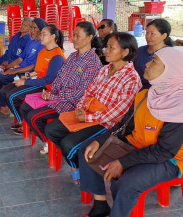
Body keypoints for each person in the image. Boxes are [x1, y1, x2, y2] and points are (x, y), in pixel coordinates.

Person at [79, 47, 183, 217]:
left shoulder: (179, 106)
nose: (147, 64)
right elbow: (123, 126)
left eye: (154, 61)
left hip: (169, 159)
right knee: (87, 149)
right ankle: (100, 204)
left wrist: (123, 162)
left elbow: (164, 151)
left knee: (128, 182)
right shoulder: (145, 94)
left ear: (171, 70)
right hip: (137, 145)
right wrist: (100, 141)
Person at [45, 32, 141, 185]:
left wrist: (87, 118)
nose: (105, 50)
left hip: (107, 124)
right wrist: (81, 108)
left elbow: (117, 113)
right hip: (90, 115)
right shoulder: (105, 70)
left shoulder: (131, 79)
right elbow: (89, 91)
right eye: (106, 46)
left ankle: (81, 168)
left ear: (125, 52)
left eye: (111, 47)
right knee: (51, 129)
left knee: (68, 144)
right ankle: (79, 164)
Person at [19, 21, 102, 146]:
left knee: (34, 117)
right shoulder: (73, 56)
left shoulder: (92, 62)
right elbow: (60, 76)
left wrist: (53, 96)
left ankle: (51, 143)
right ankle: (49, 141)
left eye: (77, 36)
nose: (73, 39)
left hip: (71, 104)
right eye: (73, 35)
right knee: (25, 108)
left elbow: (80, 93)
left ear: (90, 37)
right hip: (58, 97)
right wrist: (52, 91)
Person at [0, 24, 65, 131]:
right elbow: (36, 72)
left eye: (44, 34)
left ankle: (24, 124)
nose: (41, 36)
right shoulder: (43, 52)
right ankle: (22, 120)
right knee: (4, 90)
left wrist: (25, 82)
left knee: (12, 96)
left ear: (53, 37)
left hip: (46, 87)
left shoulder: (57, 55)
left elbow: (48, 80)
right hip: (37, 81)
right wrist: (25, 77)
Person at [0, 18, 47, 118]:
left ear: (42, 30)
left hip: (26, 74)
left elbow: (33, 67)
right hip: (19, 70)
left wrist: (14, 71)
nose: (32, 31)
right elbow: (20, 59)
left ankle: (3, 107)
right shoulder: (31, 42)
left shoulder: (42, 45)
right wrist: (7, 67)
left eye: (35, 28)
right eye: (32, 28)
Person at [133, 18, 173, 89]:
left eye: (152, 33)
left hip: (157, 91)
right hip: (136, 87)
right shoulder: (140, 50)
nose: (148, 36)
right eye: (147, 32)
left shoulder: (169, 54)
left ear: (164, 36)